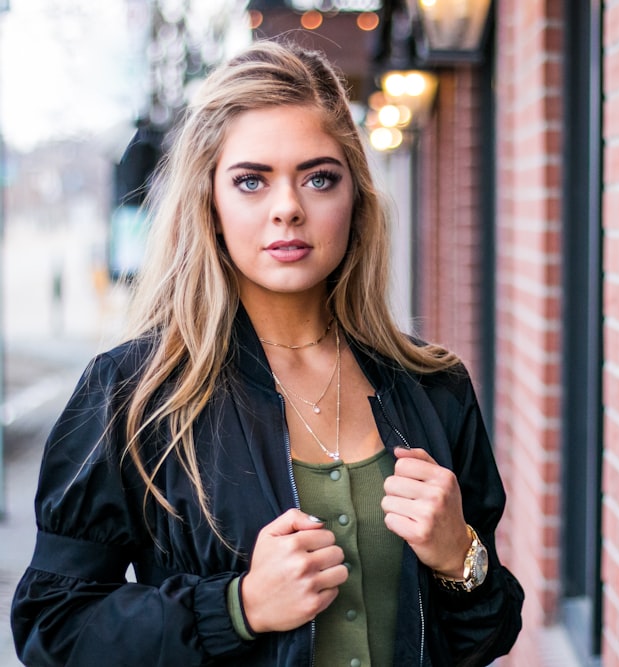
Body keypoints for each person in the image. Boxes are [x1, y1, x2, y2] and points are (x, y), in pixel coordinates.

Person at [11, 40, 523, 666]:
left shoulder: (434, 387)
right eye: (251, 180)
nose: (288, 209)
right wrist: (239, 607)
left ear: (355, 198)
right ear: (211, 204)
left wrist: (459, 559)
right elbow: (53, 629)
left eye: (319, 178)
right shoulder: (132, 394)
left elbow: (484, 637)